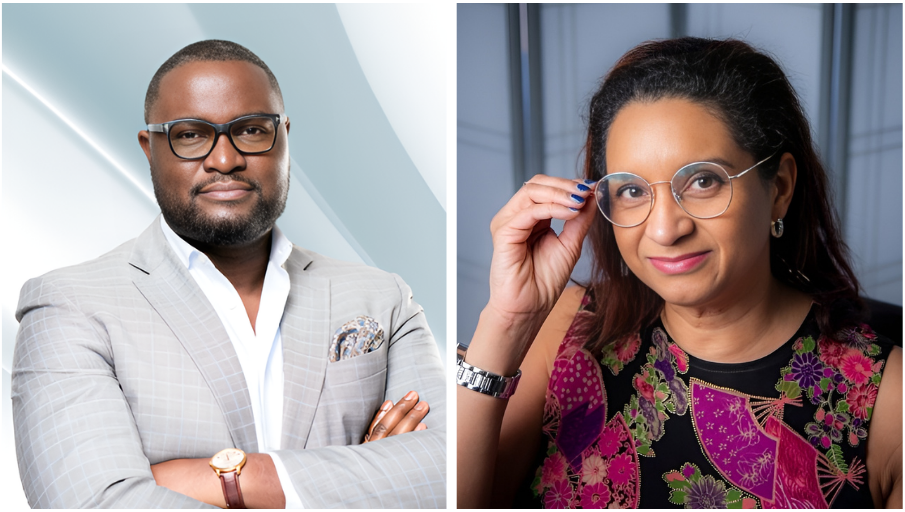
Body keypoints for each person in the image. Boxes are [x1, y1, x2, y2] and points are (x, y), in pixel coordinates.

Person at [457, 37, 901, 508]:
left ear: (780, 188)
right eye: (631, 191)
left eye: (704, 181)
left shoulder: (890, 403)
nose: (665, 229)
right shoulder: (569, 327)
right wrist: (507, 321)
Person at [12, 40, 445, 509]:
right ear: (150, 149)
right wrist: (365, 478)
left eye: (252, 131)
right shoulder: (68, 307)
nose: (224, 160)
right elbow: (94, 504)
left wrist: (241, 479)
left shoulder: (381, 297)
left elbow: (450, 469)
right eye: (191, 135)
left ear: (283, 138)